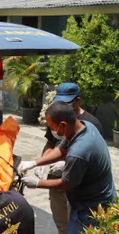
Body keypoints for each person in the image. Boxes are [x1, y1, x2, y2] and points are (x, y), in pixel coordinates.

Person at [20, 101, 116, 234]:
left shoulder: (79, 152)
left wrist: (37, 183)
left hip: (91, 209)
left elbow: (65, 183)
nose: (52, 131)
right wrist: (34, 163)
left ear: (63, 125)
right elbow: (61, 149)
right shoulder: (84, 127)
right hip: (96, 197)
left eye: (52, 127)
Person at [34, 82, 103, 234]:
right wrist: (38, 162)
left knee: (77, 225)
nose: (62, 106)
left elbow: (69, 179)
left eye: (66, 103)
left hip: (77, 184)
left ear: (77, 100)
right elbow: (55, 145)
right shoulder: (58, 117)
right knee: (62, 224)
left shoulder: (90, 125)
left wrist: (37, 183)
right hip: (57, 179)